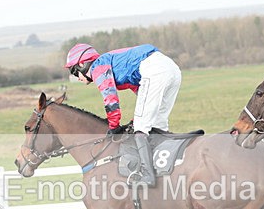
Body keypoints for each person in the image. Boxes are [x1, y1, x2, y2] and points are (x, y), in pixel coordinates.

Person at [64, 43, 182, 187]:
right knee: (157, 124)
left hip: (155, 70)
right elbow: (139, 90)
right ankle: (168, 169)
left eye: (74, 72)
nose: (76, 77)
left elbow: (110, 99)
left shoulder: (98, 68)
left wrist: (113, 126)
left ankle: (148, 175)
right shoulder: (112, 62)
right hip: (171, 69)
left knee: (141, 127)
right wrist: (137, 118)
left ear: (82, 64)